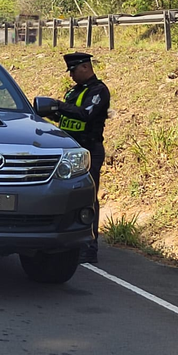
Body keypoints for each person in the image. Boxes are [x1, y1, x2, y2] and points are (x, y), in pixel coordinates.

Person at [50, 52, 110, 264]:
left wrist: (58, 105)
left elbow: (86, 114)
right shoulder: (74, 92)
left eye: (74, 71)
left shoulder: (99, 91)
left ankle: (89, 247)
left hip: (89, 148)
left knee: (87, 196)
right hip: (69, 150)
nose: (72, 76)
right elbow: (66, 116)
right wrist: (52, 112)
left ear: (85, 67)